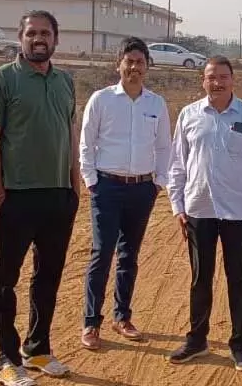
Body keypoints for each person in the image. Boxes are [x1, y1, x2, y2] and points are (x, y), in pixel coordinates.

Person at [0, 10, 80, 386]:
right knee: (4, 280)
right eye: (32, 33)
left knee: (48, 276)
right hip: (17, 196)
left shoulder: (64, 82)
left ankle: (37, 348)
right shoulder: (2, 80)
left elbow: (70, 133)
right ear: (20, 37)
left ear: (55, 38)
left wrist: (74, 187)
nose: (39, 39)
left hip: (58, 196)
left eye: (45, 33)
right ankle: (6, 359)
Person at [166, 56, 242, 372]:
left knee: (237, 279)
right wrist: (177, 206)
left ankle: (241, 346)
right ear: (204, 81)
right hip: (199, 210)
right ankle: (197, 340)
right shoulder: (189, 115)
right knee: (200, 278)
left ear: (232, 80)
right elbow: (177, 165)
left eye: (223, 77)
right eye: (211, 77)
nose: (217, 83)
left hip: (238, 212)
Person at [78, 37, 170, 350]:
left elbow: (164, 147)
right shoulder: (102, 99)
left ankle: (122, 317)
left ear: (147, 66)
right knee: (102, 253)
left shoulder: (156, 104)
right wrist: (92, 181)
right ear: (119, 64)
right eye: (129, 61)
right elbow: (87, 143)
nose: (134, 68)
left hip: (142, 189)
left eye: (140, 62)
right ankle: (91, 322)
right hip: (107, 187)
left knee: (129, 254)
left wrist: (158, 182)